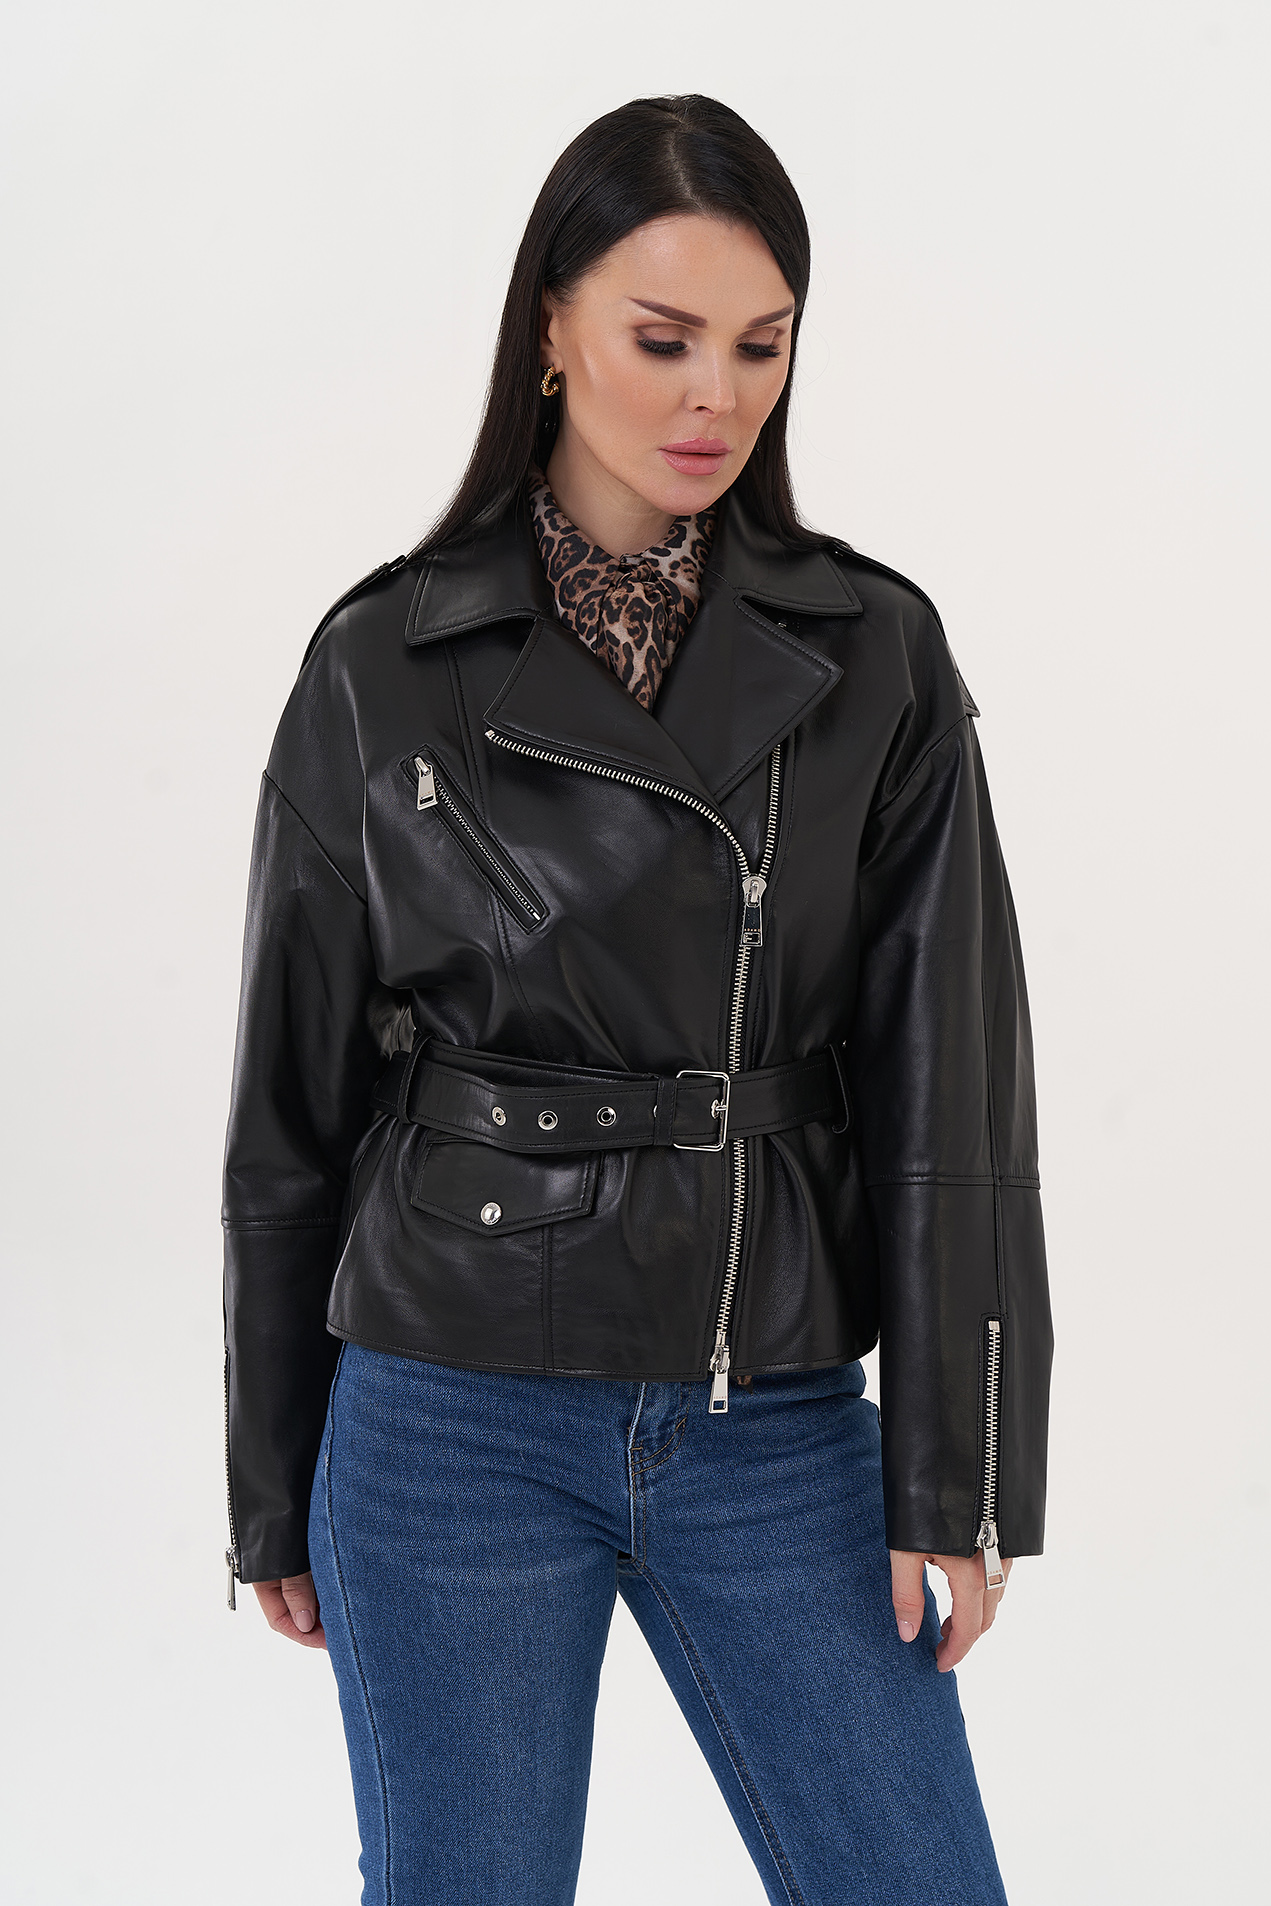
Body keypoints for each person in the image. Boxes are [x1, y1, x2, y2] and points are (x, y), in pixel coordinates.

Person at [221, 93, 1053, 1906]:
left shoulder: (874, 655)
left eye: (761, 345)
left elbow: (954, 1086)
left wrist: (961, 1472)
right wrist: (269, 1477)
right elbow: (291, 1110)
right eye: (662, 339)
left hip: (772, 1404)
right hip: (448, 1409)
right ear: (550, 329)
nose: (715, 396)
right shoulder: (381, 661)